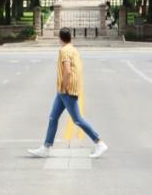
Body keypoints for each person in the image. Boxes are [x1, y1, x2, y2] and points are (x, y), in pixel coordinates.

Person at [28, 27, 108, 159]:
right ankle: (45, 147)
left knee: (77, 119)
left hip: (67, 89)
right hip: (64, 90)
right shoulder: (73, 49)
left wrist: (64, 87)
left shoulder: (64, 51)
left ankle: (99, 143)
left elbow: (67, 71)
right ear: (71, 37)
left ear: (60, 38)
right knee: (53, 118)